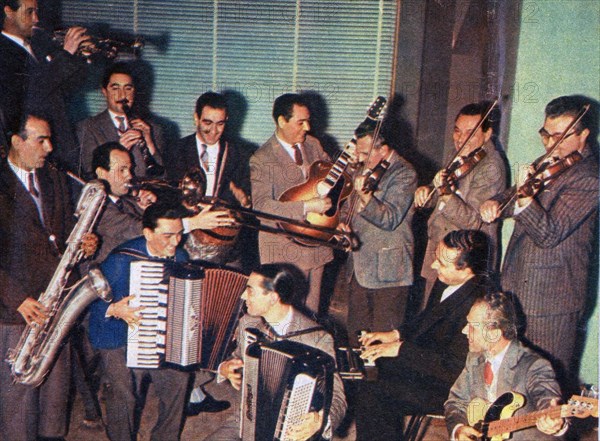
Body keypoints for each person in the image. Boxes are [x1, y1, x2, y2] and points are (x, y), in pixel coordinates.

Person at [480, 95, 599, 386]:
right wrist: (496, 202)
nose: (549, 144)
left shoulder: (590, 178)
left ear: (584, 135)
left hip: (552, 303)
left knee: (546, 387)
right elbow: (515, 194)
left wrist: (522, 200)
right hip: (519, 290)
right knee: (513, 381)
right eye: (546, 134)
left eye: (560, 136)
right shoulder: (549, 161)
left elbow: (549, 233)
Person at [0, 113, 95, 440]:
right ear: (17, 141)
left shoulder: (52, 177)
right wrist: (17, 299)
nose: (49, 147)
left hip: (55, 304)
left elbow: (63, 231)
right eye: (41, 139)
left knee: (55, 402)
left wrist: (84, 242)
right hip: (17, 310)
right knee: (19, 406)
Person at [354, 230, 491, 440]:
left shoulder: (479, 304)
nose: (434, 266)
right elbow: (427, 318)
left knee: (375, 393)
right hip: (425, 365)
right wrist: (395, 334)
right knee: (362, 373)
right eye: (436, 258)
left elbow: (454, 368)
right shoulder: (447, 279)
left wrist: (401, 349)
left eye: (442, 263)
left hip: (448, 385)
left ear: (467, 271)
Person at [88, 202, 191, 441]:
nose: (175, 242)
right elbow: (90, 303)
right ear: (147, 233)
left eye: (179, 234)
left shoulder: (181, 257)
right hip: (116, 337)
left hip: (158, 336)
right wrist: (112, 308)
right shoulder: (120, 260)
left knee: (179, 380)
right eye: (167, 235)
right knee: (124, 395)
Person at [208, 263, 347, 441]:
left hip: (293, 430)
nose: (243, 296)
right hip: (247, 419)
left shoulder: (317, 338)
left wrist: (320, 421)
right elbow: (237, 357)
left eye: (250, 291)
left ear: (273, 298)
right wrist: (225, 368)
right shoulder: (248, 323)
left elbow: (337, 395)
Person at [415, 102, 506, 303]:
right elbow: (437, 196)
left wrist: (446, 194)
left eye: (470, 133)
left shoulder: (491, 166)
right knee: (430, 318)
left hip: (463, 262)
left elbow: (472, 221)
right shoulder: (459, 156)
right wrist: (426, 192)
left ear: (487, 134)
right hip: (440, 254)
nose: (461, 139)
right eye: (457, 131)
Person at [250, 93, 333, 315]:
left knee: (311, 315)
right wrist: (306, 207)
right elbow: (261, 207)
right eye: (300, 122)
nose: (307, 127)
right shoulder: (261, 158)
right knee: (285, 317)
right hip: (283, 252)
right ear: (281, 121)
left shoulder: (314, 145)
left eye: (308, 120)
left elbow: (335, 184)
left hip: (317, 246)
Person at [445, 291, 567, 441]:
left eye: (472, 326)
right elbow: (456, 401)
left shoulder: (533, 365)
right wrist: (458, 429)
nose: (464, 330)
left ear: (494, 334)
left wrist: (555, 421)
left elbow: (547, 398)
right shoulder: (475, 358)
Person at [342, 122, 417, 346]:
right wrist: (343, 225)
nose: (360, 158)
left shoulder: (404, 173)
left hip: (388, 273)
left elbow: (389, 218)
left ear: (383, 151)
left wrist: (365, 197)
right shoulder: (363, 168)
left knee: (381, 345)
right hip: (358, 268)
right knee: (356, 339)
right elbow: (347, 208)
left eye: (365, 153)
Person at [0, 0, 89, 169]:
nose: (36, 19)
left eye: (37, 12)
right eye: (29, 12)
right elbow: (31, 94)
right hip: (35, 151)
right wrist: (66, 55)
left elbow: (59, 91)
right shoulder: (4, 51)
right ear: (9, 12)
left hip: (60, 145)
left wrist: (79, 57)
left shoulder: (37, 47)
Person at [166, 91, 251, 265]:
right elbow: (167, 199)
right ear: (196, 118)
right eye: (207, 122)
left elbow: (246, 201)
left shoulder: (240, 154)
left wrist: (245, 200)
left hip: (225, 245)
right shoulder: (174, 150)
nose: (214, 131)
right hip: (183, 241)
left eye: (220, 124)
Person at [76, 62, 165, 179]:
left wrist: (149, 143)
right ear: (104, 91)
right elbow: (89, 174)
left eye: (128, 88)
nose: (122, 95)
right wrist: (118, 149)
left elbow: (162, 176)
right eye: (115, 88)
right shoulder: (88, 127)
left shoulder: (153, 129)